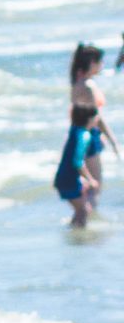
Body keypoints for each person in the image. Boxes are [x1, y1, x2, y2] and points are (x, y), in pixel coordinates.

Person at [57, 44, 109, 227]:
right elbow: (96, 115)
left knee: (89, 186)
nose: (102, 65)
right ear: (92, 63)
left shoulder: (77, 82)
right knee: (95, 185)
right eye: (100, 61)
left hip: (83, 130)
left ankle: (81, 219)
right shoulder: (87, 85)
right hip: (90, 133)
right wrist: (109, 137)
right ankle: (84, 221)